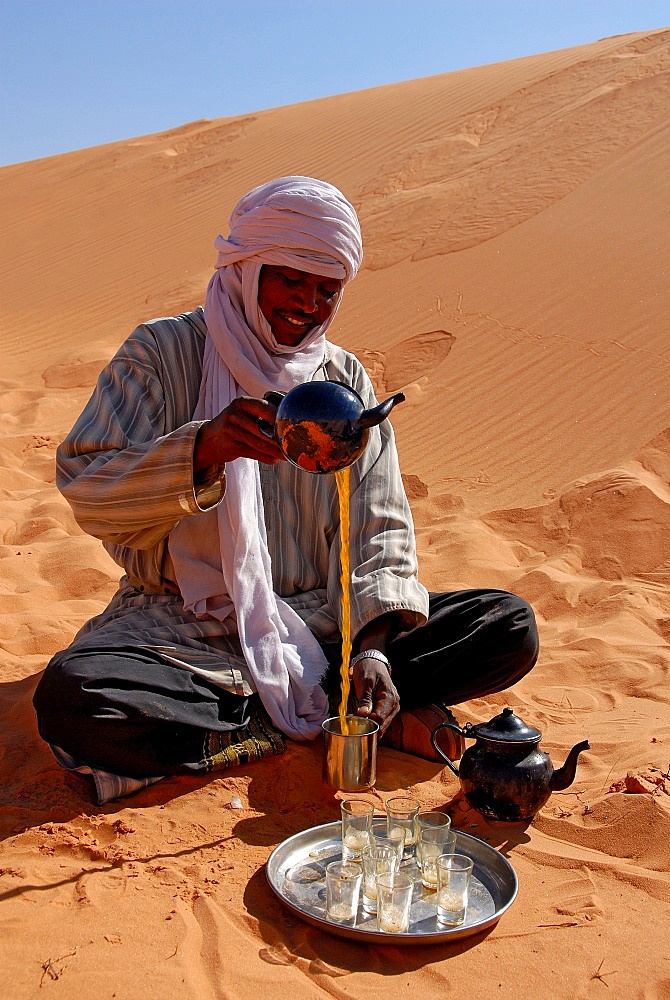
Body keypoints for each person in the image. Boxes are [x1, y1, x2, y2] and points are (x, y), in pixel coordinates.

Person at [33, 176, 538, 804]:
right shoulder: (162, 353)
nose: (307, 303)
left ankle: (309, 706)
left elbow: (379, 524)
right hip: (188, 629)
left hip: (327, 622)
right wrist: (202, 450)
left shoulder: (341, 376)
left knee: (506, 625)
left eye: (326, 289)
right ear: (248, 269)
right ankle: (311, 716)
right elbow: (88, 489)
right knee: (77, 696)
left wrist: (374, 652)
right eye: (291, 280)